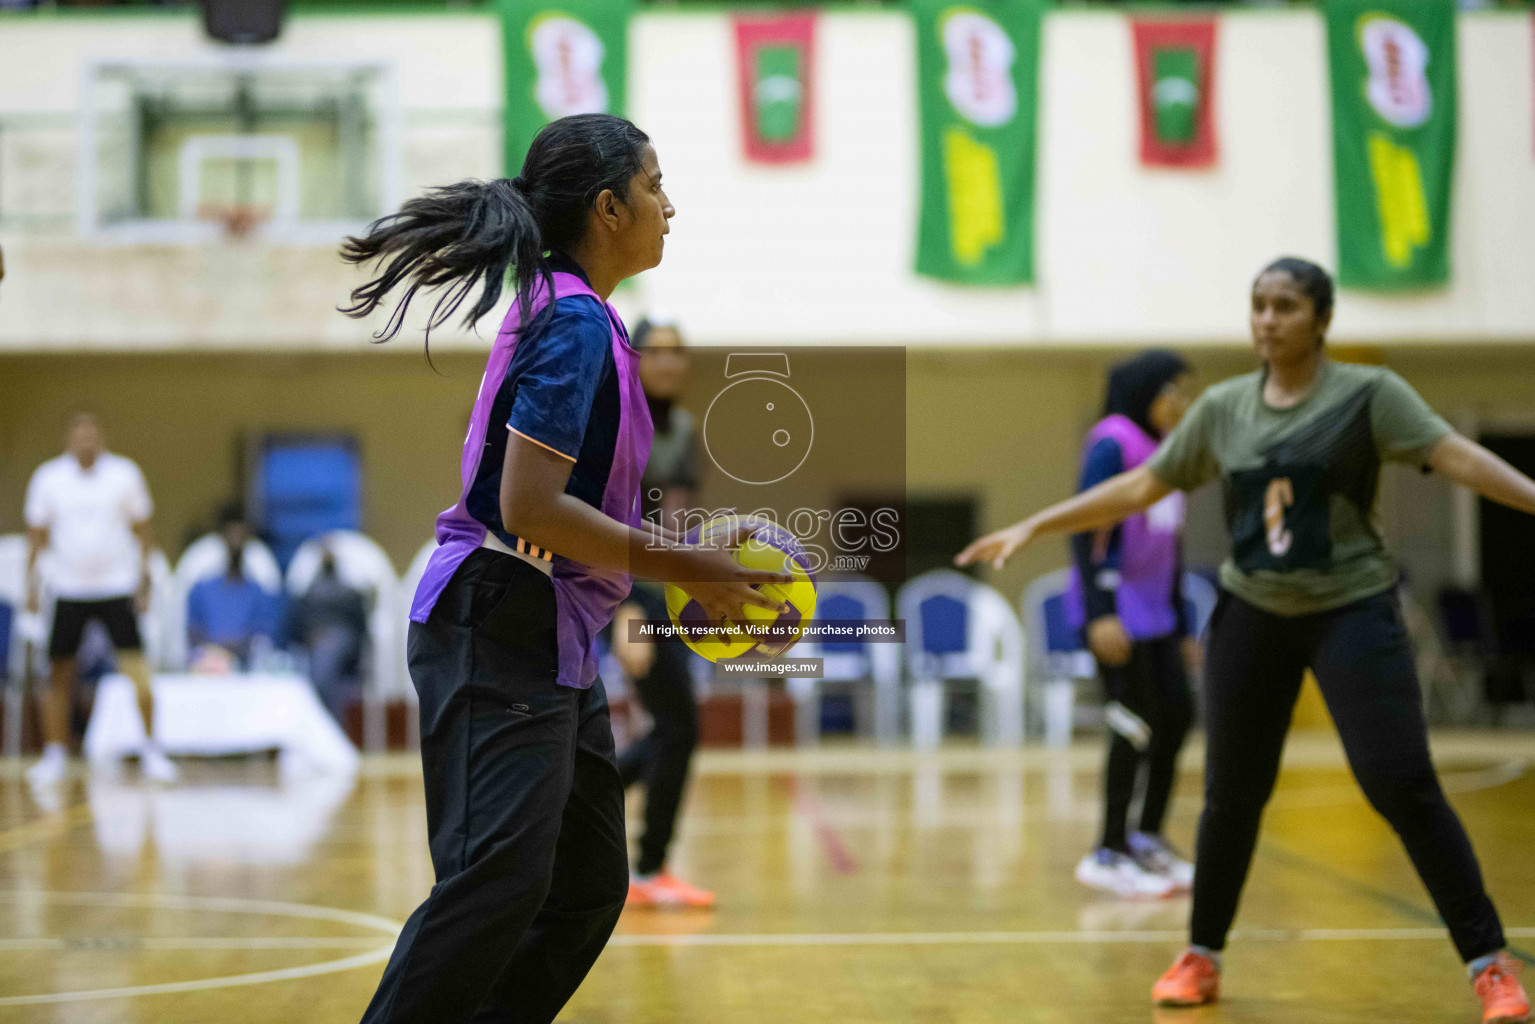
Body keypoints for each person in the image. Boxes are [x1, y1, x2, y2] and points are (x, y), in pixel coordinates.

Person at [956, 257, 1535, 1023]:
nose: (1266, 319)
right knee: (1230, 795)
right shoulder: (1223, 409)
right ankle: (1201, 954)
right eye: (1258, 305)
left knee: (1400, 783)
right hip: (1251, 611)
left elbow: (1453, 455)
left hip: (1348, 609)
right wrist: (1036, 524)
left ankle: (1489, 964)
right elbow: (1140, 487)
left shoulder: (1368, 396)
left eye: (1285, 306)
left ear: (1319, 320)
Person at [338, 113, 792, 1024]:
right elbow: (529, 508)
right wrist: (687, 566)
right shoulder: (574, 324)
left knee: (583, 887)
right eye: (655, 186)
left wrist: (683, 553)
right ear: (608, 206)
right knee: (494, 883)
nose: (671, 205)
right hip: (499, 612)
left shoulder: (585, 319)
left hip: (554, 629)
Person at [1065, 350, 1199, 900]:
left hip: (1157, 615)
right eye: (1176, 391)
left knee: (1177, 714)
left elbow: (1171, 545)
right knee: (1131, 722)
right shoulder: (1113, 441)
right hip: (1115, 611)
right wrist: (1100, 614)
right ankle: (1107, 848)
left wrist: (1184, 622)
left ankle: (1146, 837)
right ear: (1149, 391)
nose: (1182, 404)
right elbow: (1086, 527)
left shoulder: (1168, 453)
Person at [609, 317, 714, 908]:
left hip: (662, 588)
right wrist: (623, 608)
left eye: (681, 352)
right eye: (659, 351)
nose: (672, 362)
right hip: (615, 587)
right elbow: (598, 518)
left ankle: (645, 863)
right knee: (679, 727)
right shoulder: (617, 419)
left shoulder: (683, 430)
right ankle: (646, 868)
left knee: (677, 728)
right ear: (634, 356)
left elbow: (678, 521)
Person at [24, 412, 178, 785]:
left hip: (116, 586)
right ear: (68, 439)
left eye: (91, 434)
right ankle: (56, 753)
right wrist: (30, 587)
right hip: (68, 588)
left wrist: (144, 581)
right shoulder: (48, 478)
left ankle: (151, 750)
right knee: (59, 673)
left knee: (136, 670)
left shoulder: (124, 475)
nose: (85, 441)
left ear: (101, 438)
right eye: (78, 435)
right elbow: (36, 538)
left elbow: (144, 532)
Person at [186, 504, 279, 670]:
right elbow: (193, 632)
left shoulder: (258, 592)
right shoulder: (201, 590)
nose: (235, 542)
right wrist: (215, 650)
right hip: (208, 668)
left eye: (240, 537)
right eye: (231, 536)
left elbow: (264, 633)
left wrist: (238, 647)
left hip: (247, 668)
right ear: (222, 539)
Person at [287, 546, 370, 724]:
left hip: (343, 639)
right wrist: (311, 635)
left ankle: (326, 724)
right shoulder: (309, 592)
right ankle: (327, 724)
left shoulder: (349, 591)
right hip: (315, 640)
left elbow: (360, 626)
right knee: (322, 661)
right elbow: (298, 623)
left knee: (326, 657)